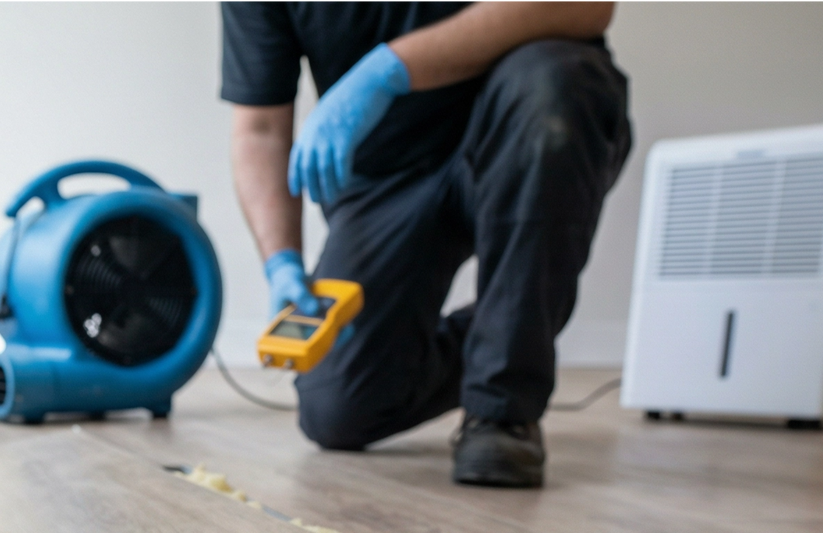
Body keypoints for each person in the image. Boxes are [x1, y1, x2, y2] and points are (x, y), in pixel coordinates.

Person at [224, 0, 632, 487]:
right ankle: (514, 320)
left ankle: (501, 410)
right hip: (388, 174)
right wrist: (282, 262)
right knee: (341, 406)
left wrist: (392, 67)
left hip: (524, 128)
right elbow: (261, 127)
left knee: (553, 83)